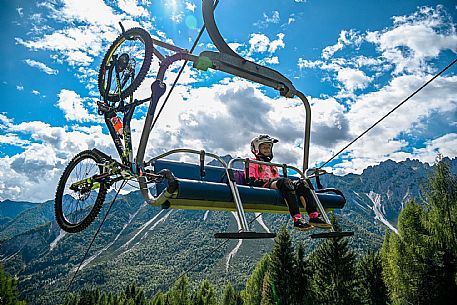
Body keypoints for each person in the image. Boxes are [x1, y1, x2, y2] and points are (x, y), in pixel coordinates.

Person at [245, 134, 332, 231]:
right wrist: (268, 180)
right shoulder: (252, 162)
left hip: (275, 183)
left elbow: (277, 178)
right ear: (256, 149)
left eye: (269, 147)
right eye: (264, 147)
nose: (267, 149)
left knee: (301, 184)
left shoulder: (272, 166)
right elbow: (250, 181)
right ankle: (297, 219)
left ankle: (314, 216)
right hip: (263, 185)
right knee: (284, 182)